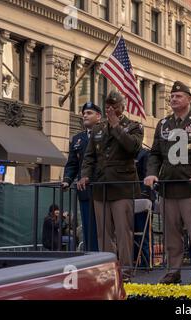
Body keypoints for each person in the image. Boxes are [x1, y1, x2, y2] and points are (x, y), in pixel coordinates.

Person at [144, 81, 191, 286]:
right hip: (168, 187)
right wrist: (151, 173)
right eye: (172, 97)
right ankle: (173, 270)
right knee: (171, 233)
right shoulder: (164, 124)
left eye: (179, 96)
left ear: (189, 99)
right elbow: (155, 153)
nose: (174, 99)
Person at [78, 90, 143, 279]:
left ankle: (126, 270)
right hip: (101, 187)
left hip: (122, 187)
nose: (111, 110)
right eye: (108, 108)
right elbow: (90, 157)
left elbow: (133, 148)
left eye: (114, 107)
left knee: (123, 232)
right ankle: (109, 269)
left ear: (122, 107)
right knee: (103, 233)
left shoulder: (133, 126)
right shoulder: (98, 129)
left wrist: (116, 125)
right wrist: (85, 175)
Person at [62, 102, 101, 252]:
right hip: (84, 190)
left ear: (98, 116)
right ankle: (91, 258)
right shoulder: (77, 139)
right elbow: (72, 163)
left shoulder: (104, 134)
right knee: (88, 228)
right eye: (84, 113)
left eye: (89, 113)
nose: (85, 115)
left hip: (101, 188)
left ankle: (104, 257)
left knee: (103, 228)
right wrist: (67, 180)